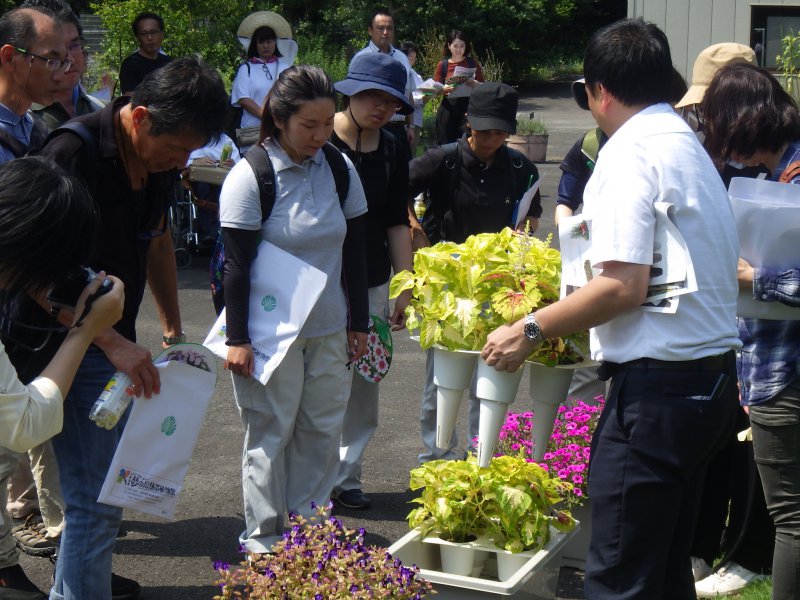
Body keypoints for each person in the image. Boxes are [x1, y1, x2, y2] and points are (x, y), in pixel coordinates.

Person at [481, 19, 741, 600]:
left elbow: (622, 285)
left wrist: (529, 327)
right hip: (708, 383)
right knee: (665, 571)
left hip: (659, 394)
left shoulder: (629, 153)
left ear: (598, 91)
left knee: (620, 577)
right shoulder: (683, 144)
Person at [39, 56, 228, 600]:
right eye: (175, 149)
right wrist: (112, 341)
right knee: (95, 504)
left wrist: (171, 327)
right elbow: (38, 271)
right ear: (140, 117)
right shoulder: (70, 153)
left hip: (107, 338)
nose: (179, 161)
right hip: (62, 342)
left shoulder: (157, 161)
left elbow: (158, 239)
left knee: (101, 501)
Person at [220, 65, 369, 553]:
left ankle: (309, 533)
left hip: (328, 326)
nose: (321, 135)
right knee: (270, 432)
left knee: (322, 431)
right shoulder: (251, 176)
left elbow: (356, 249)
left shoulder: (340, 168)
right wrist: (237, 339)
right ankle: (263, 540)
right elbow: (235, 267)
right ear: (279, 119)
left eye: (328, 124)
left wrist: (359, 323)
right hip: (269, 334)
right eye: (310, 125)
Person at [7, 0, 104, 565]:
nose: (64, 66)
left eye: (70, 53)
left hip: (33, 314)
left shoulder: (36, 127)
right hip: (22, 308)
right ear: (10, 57)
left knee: (29, 426)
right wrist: (91, 325)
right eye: (50, 56)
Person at [702, 62, 800, 600]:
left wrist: (751, 275)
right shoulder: (779, 175)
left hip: (788, 373)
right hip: (772, 364)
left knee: (791, 516)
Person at [409, 82, 542, 462]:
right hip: (447, 285)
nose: (491, 139)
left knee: (489, 372)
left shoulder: (520, 167)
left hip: (496, 286)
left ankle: (477, 454)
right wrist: (415, 229)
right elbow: (397, 191)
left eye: (500, 132)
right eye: (484, 131)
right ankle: (434, 457)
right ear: (468, 122)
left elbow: (531, 213)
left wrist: (523, 237)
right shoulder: (443, 159)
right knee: (443, 377)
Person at [329, 52, 413, 510]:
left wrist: (405, 283)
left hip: (374, 278)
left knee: (366, 376)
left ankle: (348, 475)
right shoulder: (320, 139)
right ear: (349, 92)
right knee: (320, 377)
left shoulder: (396, 145)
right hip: (323, 280)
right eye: (370, 96)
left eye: (390, 100)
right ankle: (313, 475)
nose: (380, 108)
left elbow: (396, 220)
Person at [26, 0, 103, 131]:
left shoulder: (99, 110)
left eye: (74, 45)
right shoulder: (20, 120)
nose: (70, 58)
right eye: (56, 49)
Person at [352, 9, 415, 162]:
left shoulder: (401, 58)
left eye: (390, 28)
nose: (385, 32)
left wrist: (410, 126)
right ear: (370, 30)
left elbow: (409, 93)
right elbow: (353, 96)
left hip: (399, 127)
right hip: (372, 128)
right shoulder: (361, 59)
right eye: (380, 28)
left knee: (403, 177)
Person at [230, 14, 292, 135]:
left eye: (269, 41)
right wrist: (266, 118)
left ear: (275, 43)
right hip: (252, 132)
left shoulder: (285, 68)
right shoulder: (246, 69)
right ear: (255, 44)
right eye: (261, 42)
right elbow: (243, 99)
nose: (266, 46)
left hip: (280, 131)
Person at [433, 30, 483, 145]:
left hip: (467, 109)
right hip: (448, 109)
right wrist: (444, 89)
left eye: (462, 46)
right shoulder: (443, 64)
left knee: (467, 143)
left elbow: (482, 87)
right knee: (445, 143)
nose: (458, 50)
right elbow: (435, 89)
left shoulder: (472, 63)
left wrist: (475, 84)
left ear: (466, 47)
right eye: (455, 46)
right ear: (449, 46)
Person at [118, 12, 170, 95]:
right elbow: (130, 100)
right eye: (144, 33)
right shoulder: (130, 65)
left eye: (153, 32)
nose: (149, 38)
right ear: (137, 38)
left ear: (162, 34)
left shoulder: (170, 63)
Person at [399, 41, 424, 156]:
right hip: (401, 120)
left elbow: (418, 99)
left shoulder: (416, 76)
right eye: (410, 57)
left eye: (414, 58)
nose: (412, 61)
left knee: (411, 154)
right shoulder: (397, 71)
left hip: (415, 119)